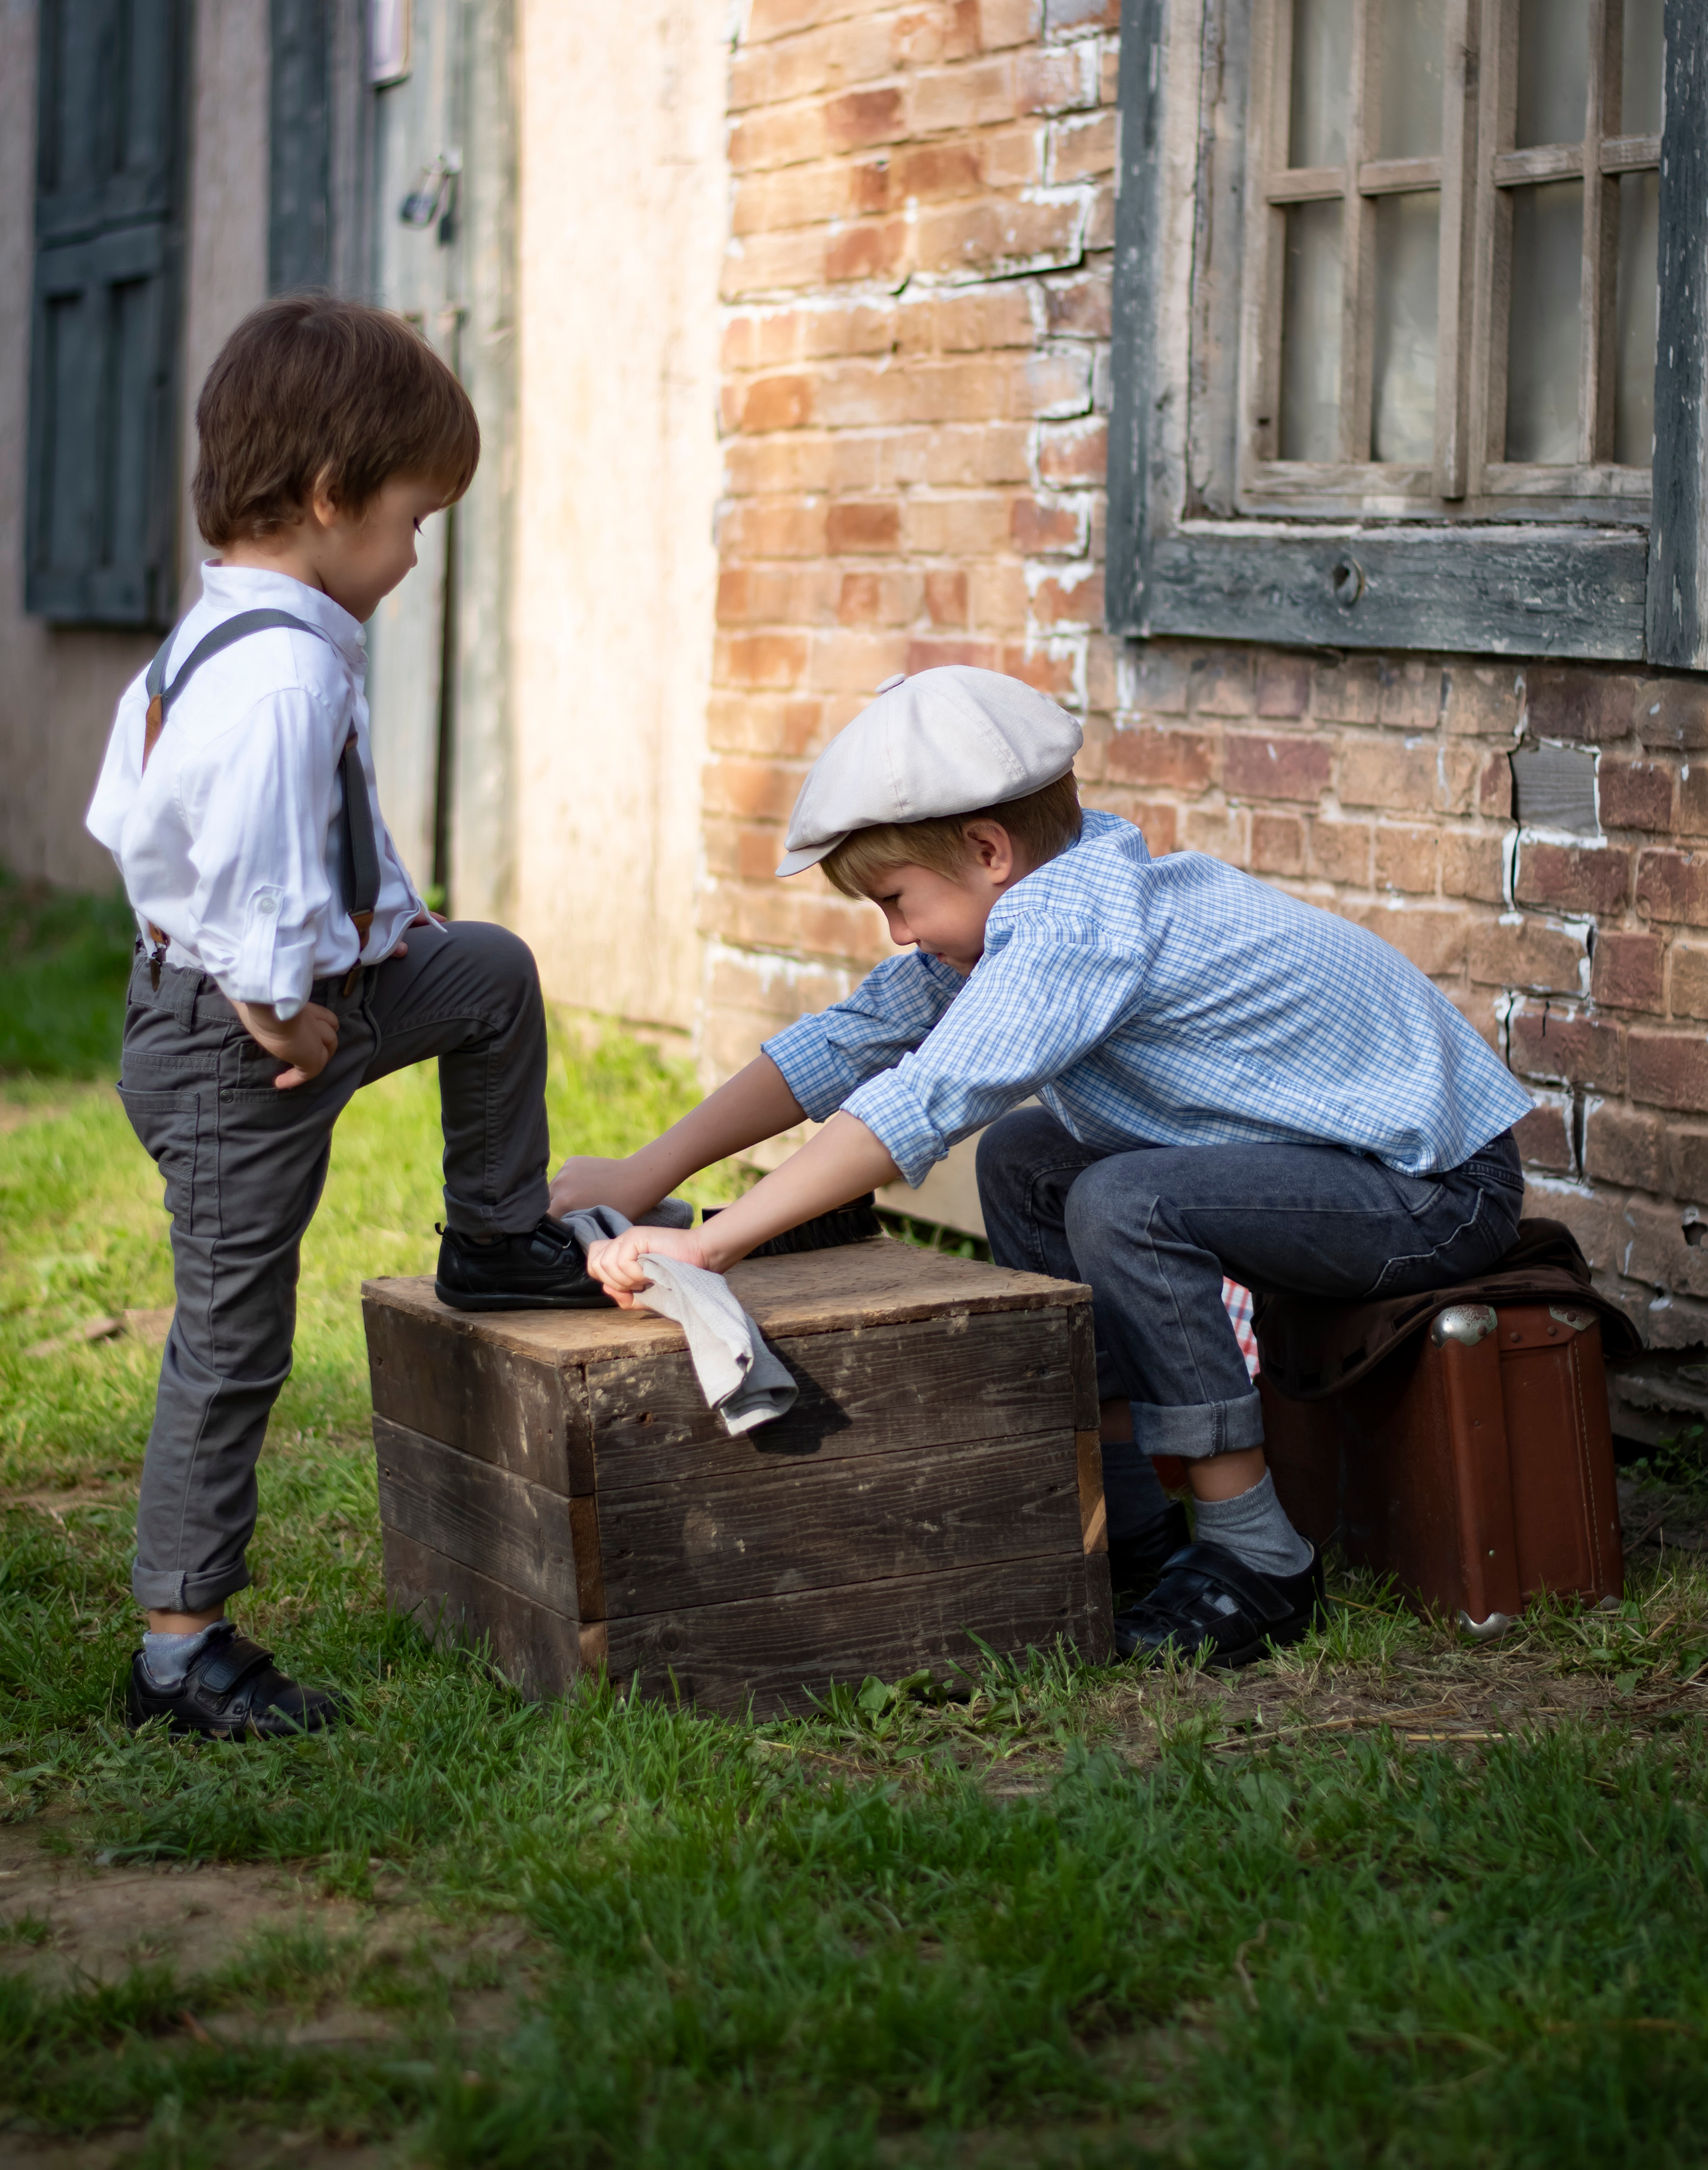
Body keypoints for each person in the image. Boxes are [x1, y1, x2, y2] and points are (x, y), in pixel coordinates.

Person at [553, 665, 1530, 1670]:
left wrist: (714, 1241)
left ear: (987, 851)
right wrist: (642, 1171)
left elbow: (920, 1104)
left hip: (1434, 1189)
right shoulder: (1034, 903)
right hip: (1335, 1168)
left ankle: (1257, 1555)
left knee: (1123, 1199)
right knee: (1027, 1158)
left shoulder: (1073, 930)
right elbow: (850, 1043)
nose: (898, 935)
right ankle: (1135, 1522)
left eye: (897, 901)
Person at [88, 296, 611, 1741]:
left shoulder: (227, 639)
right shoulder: (276, 674)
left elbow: (129, 818)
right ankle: (178, 1648)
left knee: (491, 974)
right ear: (326, 500)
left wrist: (385, 939)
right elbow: (250, 871)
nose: (417, 550)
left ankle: (499, 1238)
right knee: (234, 1330)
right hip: (237, 1047)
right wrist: (283, 1010)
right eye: (411, 518)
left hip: (303, 993)